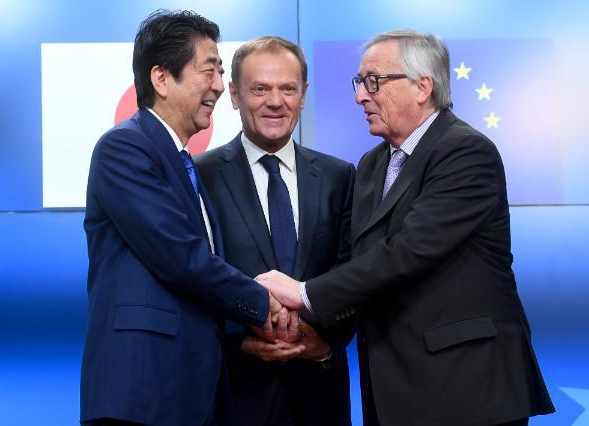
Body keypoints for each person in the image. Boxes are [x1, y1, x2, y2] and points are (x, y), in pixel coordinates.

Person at [257, 29, 555, 426]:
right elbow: (356, 261)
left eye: (373, 81)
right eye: (359, 82)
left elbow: (407, 253)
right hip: (392, 391)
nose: (360, 96)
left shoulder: (465, 152)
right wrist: (311, 330)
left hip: (467, 391)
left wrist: (303, 293)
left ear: (422, 87)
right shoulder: (371, 165)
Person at [80, 10, 281, 426]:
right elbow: (180, 256)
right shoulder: (125, 149)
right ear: (161, 78)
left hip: (193, 390)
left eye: (220, 72)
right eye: (209, 71)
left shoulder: (186, 164)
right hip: (141, 393)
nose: (219, 86)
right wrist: (265, 304)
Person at [195, 37, 354, 426]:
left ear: (304, 95)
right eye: (260, 89)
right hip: (236, 394)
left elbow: (353, 271)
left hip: (320, 395)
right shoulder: (200, 176)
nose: (276, 102)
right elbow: (191, 274)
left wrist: (325, 343)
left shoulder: (340, 177)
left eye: (288, 89)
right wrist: (240, 340)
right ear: (234, 95)